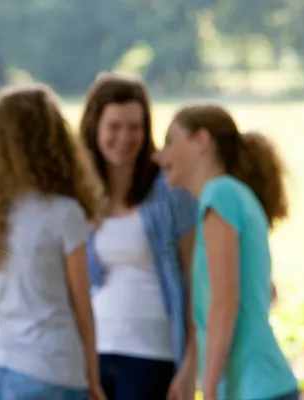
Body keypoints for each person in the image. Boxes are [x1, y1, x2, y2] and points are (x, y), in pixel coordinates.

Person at [153, 103, 299, 400]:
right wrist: (189, 374)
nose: (159, 156)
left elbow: (224, 302)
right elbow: (259, 292)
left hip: (254, 389)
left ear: (201, 141)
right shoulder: (232, 195)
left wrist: (208, 391)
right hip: (261, 385)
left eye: (170, 141)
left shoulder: (219, 195)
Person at [0, 83, 106, 400]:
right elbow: (82, 308)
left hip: (2, 367)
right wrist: (94, 379)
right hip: (55, 369)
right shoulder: (65, 213)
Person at [79, 72, 198, 400]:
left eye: (135, 126)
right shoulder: (80, 193)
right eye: (114, 126)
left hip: (154, 355)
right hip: (93, 356)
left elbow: (193, 280)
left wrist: (190, 366)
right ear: (94, 127)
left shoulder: (170, 190)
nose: (125, 137)